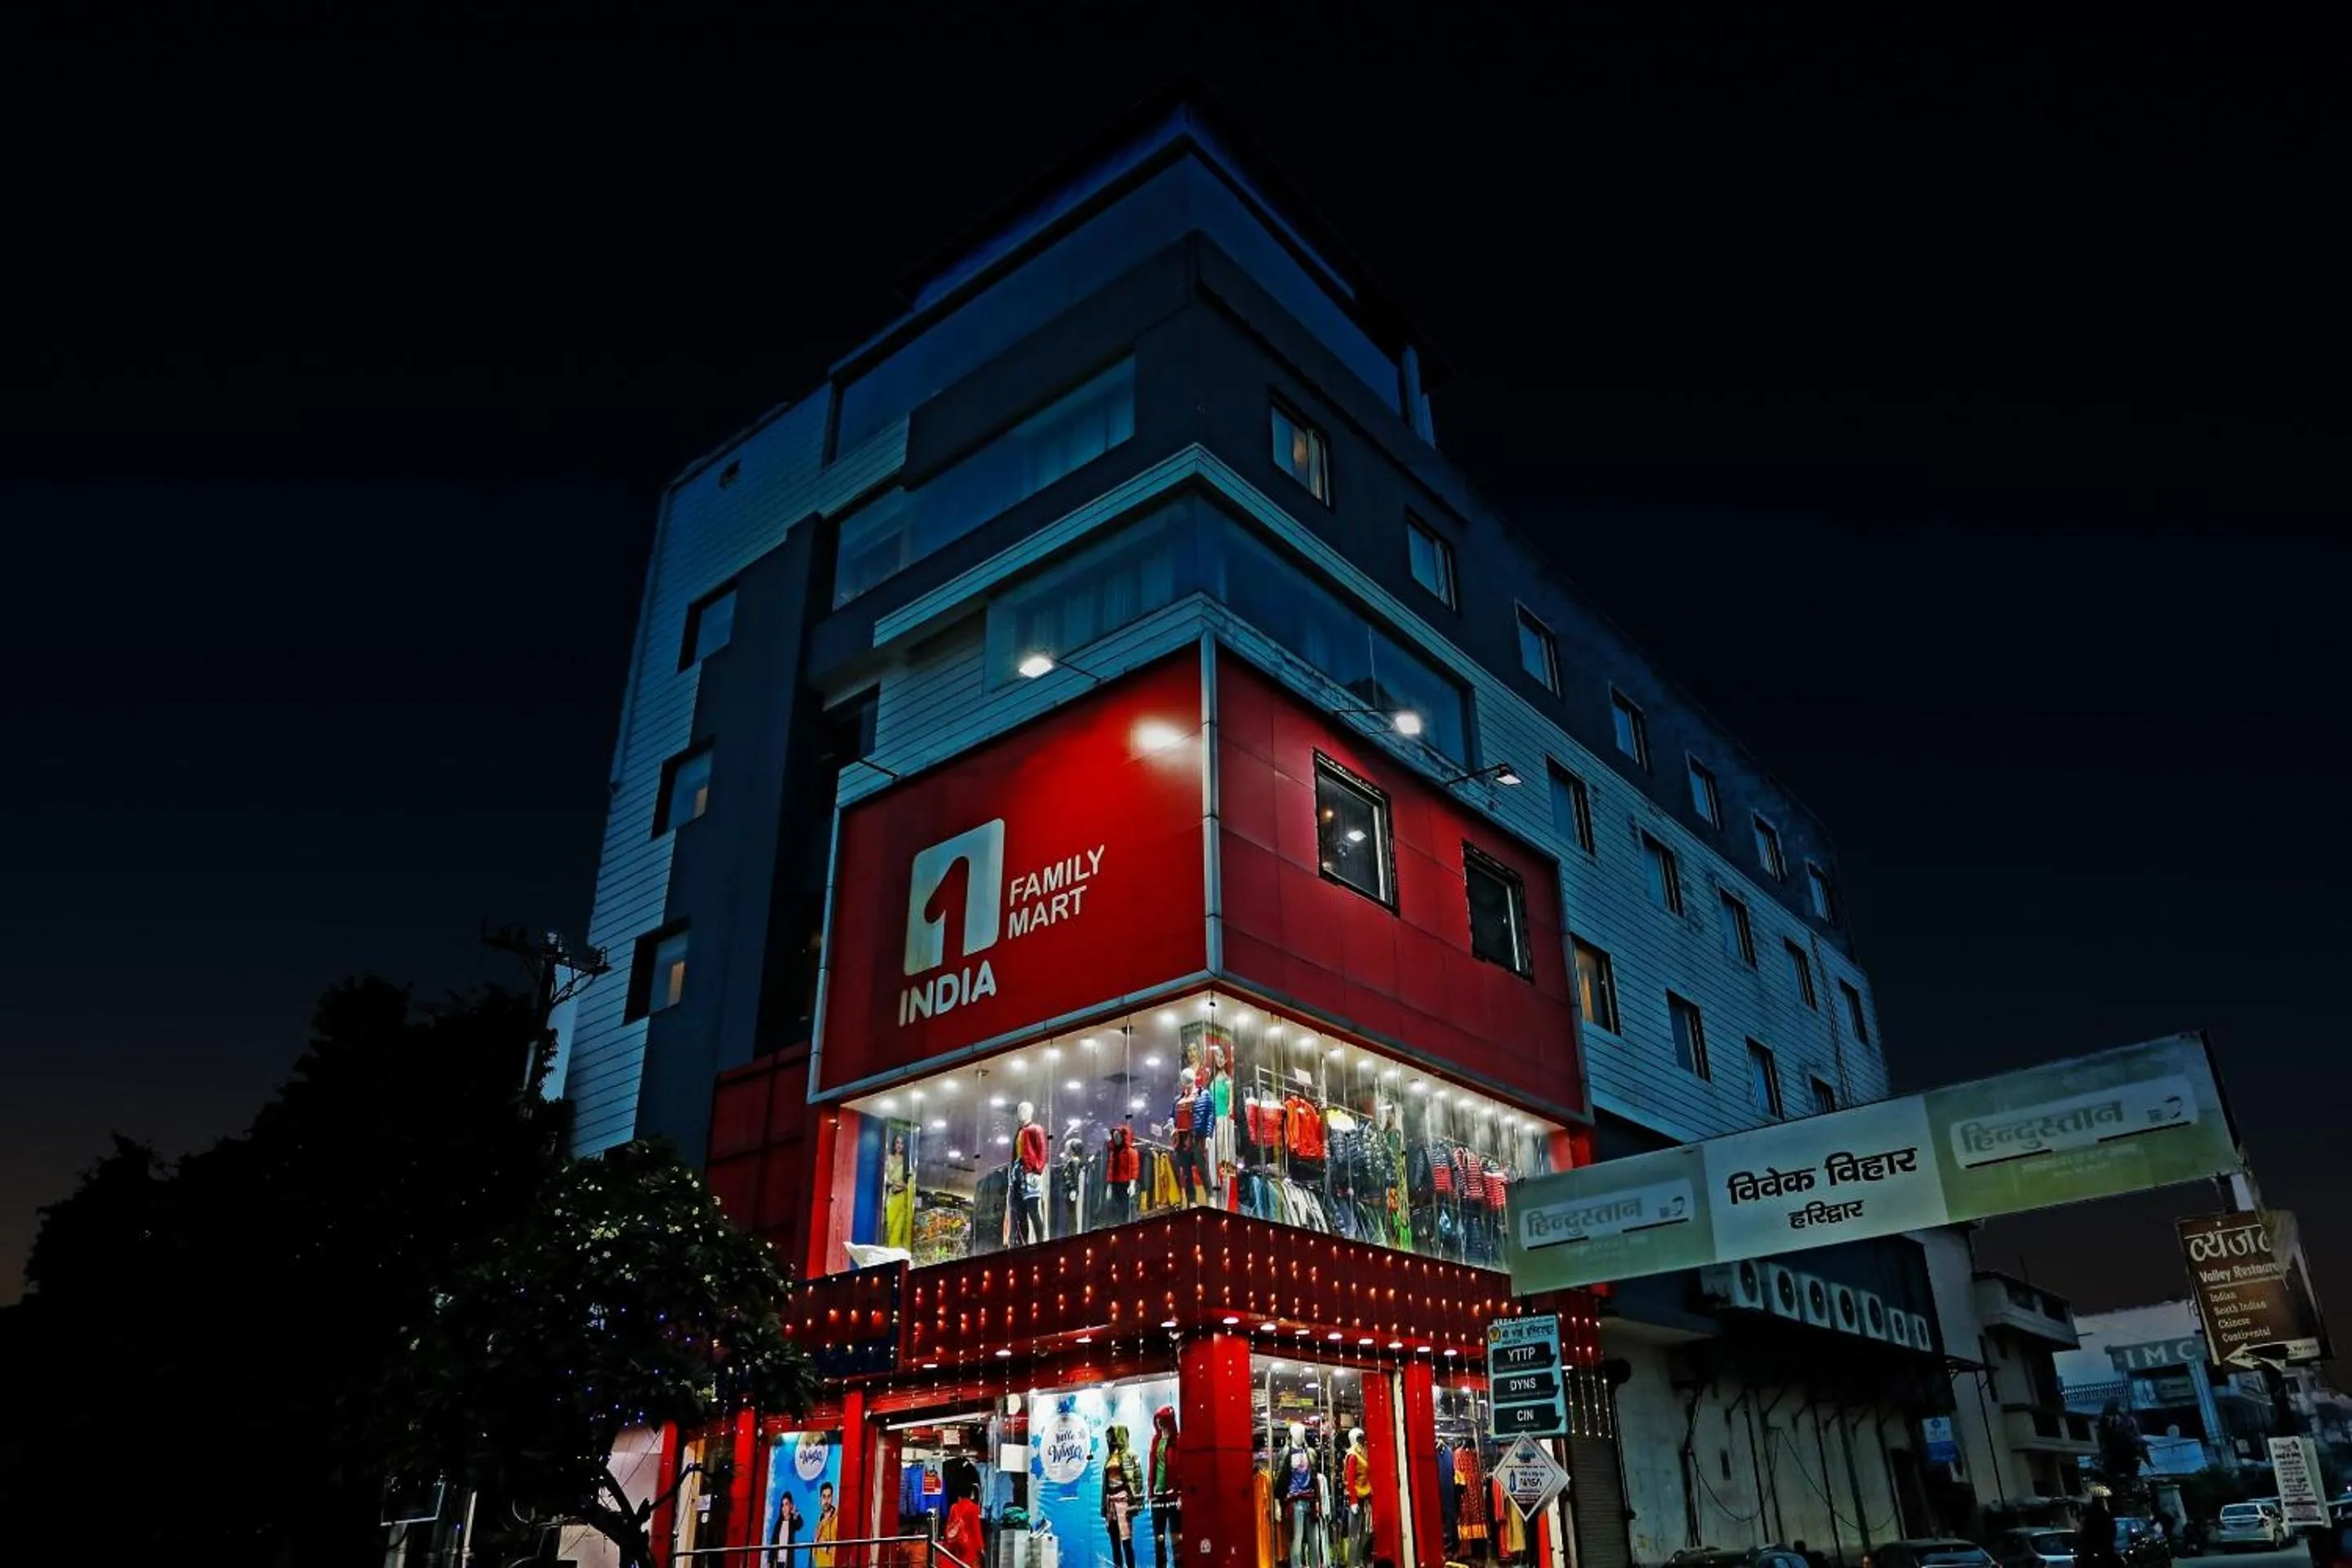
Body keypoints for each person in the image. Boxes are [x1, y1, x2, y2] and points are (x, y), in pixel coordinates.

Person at [1104, 1423, 1146, 1568]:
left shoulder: (1131, 1455)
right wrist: (1104, 1506)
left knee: (1126, 1541)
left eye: (1113, 1435)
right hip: (1111, 1502)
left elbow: (1138, 1478)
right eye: (1109, 1436)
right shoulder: (1109, 1456)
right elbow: (1105, 1483)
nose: (1111, 1439)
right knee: (1114, 1542)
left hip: (1124, 1501)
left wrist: (1137, 1502)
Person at [2081, 1486, 2120, 1568]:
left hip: (2100, 1552)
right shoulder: (2101, 1516)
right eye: (2104, 1501)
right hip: (2100, 1552)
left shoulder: (2092, 1516)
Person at [813, 1482, 839, 1568]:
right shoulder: (820, 1520)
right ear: (820, 1499)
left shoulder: (836, 1520)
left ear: (832, 1498)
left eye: (829, 1496)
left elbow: (839, 1550)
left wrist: (826, 1548)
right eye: (824, 1497)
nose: (826, 1501)